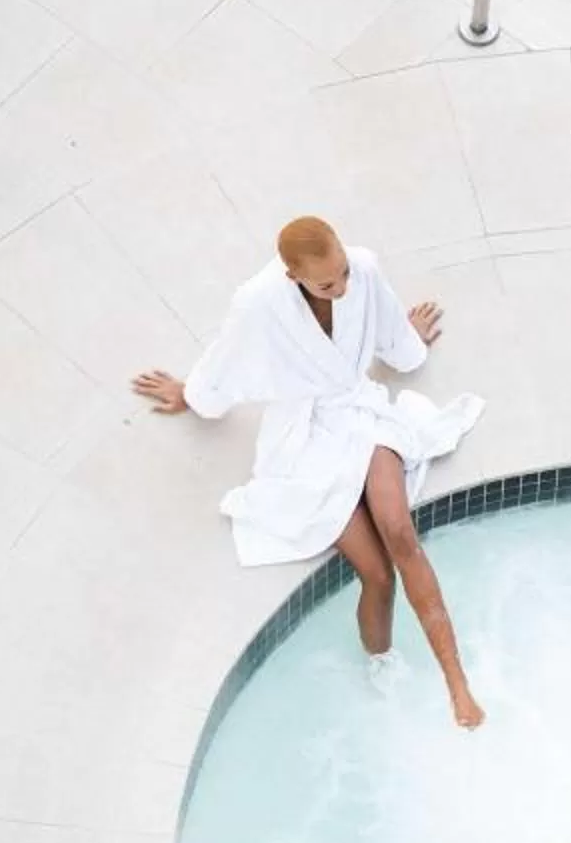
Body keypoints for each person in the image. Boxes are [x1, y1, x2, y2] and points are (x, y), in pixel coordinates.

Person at [133, 217, 486, 727]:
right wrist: (190, 395)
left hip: (360, 415)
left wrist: (410, 343)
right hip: (306, 436)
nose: (341, 288)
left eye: (343, 273)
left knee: (399, 531)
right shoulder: (257, 303)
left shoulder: (363, 267)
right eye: (326, 284)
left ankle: (458, 684)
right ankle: (381, 660)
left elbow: (390, 330)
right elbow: (225, 359)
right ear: (292, 275)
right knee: (376, 574)